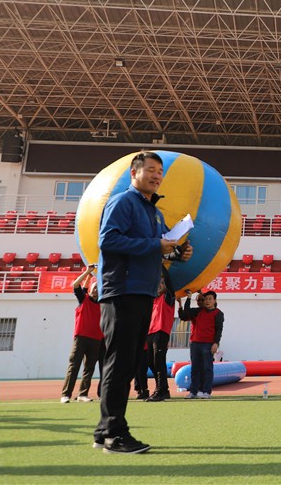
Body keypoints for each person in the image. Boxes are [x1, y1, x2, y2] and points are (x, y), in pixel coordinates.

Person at [94, 150, 192, 454]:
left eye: (160, 172)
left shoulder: (154, 212)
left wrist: (176, 253)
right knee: (120, 362)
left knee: (128, 362)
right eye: (150, 170)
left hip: (142, 291)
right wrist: (155, 244)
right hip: (122, 289)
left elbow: (156, 248)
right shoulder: (123, 201)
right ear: (134, 173)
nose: (156, 176)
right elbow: (107, 240)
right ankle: (114, 434)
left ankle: (104, 431)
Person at [61, 266, 104, 404]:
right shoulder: (83, 299)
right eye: (94, 288)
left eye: (98, 288)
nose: (96, 290)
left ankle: (82, 394)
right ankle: (66, 394)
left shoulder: (103, 304)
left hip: (96, 339)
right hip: (81, 337)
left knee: (89, 368)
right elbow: (75, 285)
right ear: (89, 289)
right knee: (74, 365)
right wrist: (87, 272)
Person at [178, 290, 224, 399]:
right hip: (195, 343)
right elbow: (186, 313)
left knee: (207, 368)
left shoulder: (218, 313)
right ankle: (193, 392)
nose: (207, 301)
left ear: (214, 300)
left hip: (208, 344)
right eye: (205, 299)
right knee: (195, 368)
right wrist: (188, 298)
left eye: (210, 299)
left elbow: (219, 330)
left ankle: (206, 391)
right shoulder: (199, 311)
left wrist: (216, 343)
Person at [141, 274, 176, 402]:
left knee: (158, 362)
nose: (159, 285)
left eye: (162, 283)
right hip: (150, 333)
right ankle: (164, 390)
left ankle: (160, 391)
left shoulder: (168, 297)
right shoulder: (153, 300)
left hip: (161, 332)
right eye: (157, 283)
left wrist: (160, 265)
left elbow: (168, 281)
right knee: (151, 362)